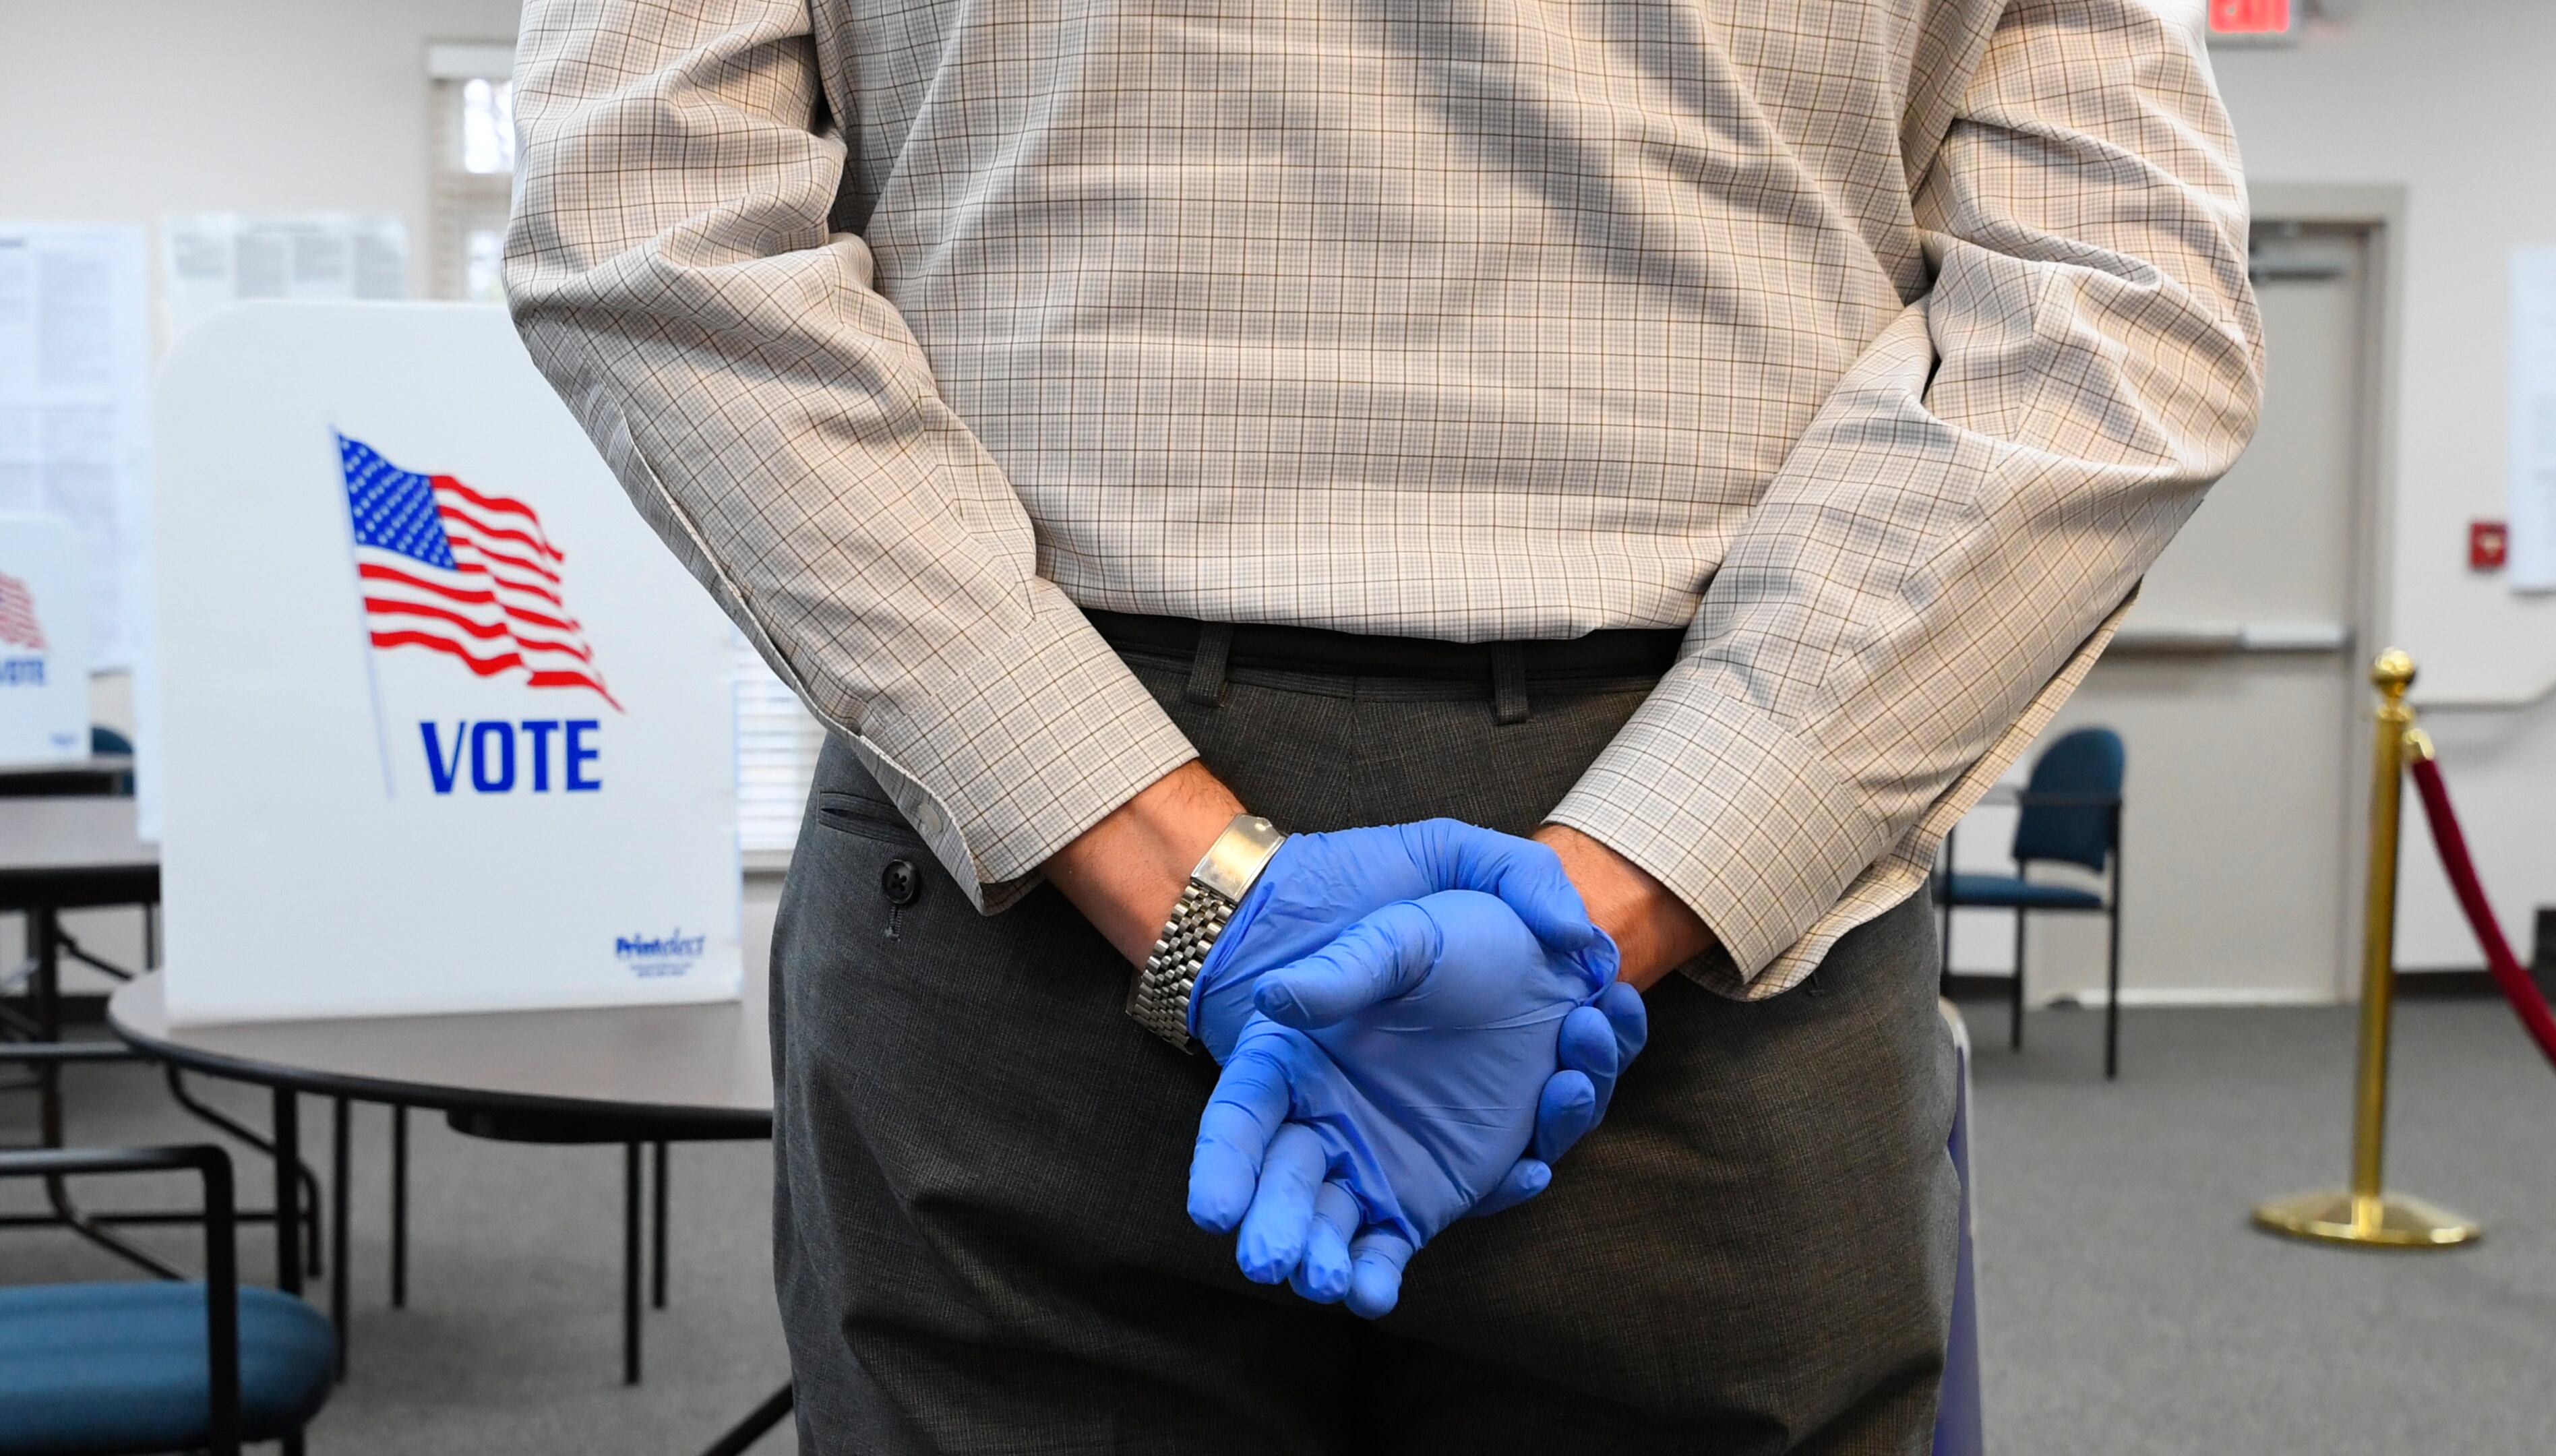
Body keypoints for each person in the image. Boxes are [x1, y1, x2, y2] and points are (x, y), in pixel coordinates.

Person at [505, 0, 2260, 1447]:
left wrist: (1193, 889)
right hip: (1705, 925)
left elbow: (643, 201)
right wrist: (1615, 901)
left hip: (1035, 887)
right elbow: (2118, 310)